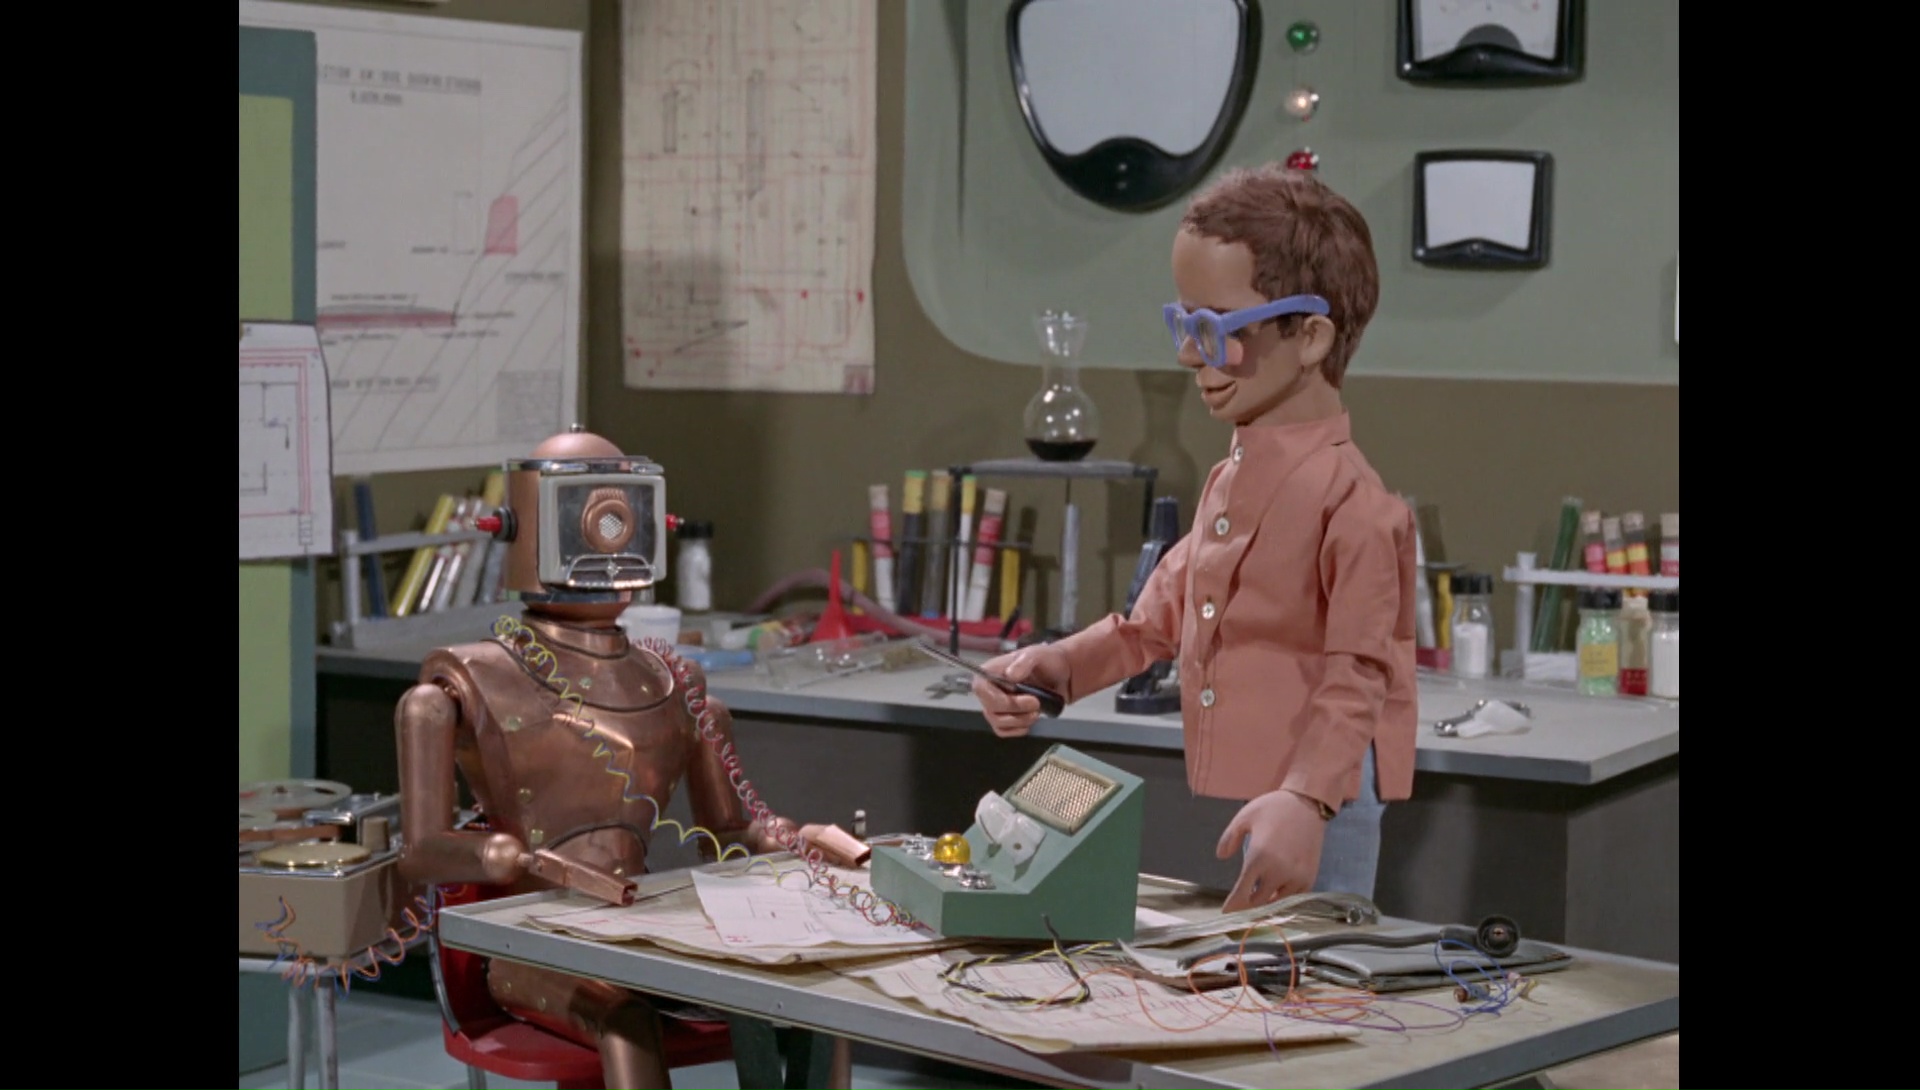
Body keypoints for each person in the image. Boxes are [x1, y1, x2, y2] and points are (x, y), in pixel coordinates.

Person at [970, 164, 1417, 915]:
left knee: (1312, 963)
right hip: (1257, 786)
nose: (1189, 356)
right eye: (1183, 326)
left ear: (1309, 336)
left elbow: (1359, 672)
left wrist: (1308, 799)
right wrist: (1054, 669)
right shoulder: (1230, 484)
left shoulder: (1355, 505)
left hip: (1321, 794)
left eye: (1217, 331)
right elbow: (1153, 625)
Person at [395, 426, 864, 1090]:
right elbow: (420, 851)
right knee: (623, 1021)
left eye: (622, 515)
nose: (607, 534)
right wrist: (497, 855)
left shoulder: (674, 683)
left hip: (643, 928)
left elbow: (727, 831)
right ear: (523, 527)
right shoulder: (464, 683)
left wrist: (795, 839)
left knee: (826, 998)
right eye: (584, 515)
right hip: (527, 942)